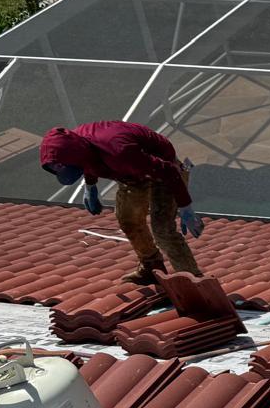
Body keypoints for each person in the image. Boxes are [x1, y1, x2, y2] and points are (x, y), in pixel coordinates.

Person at [39, 122, 204, 285]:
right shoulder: (74, 146)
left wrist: (185, 207)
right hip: (131, 174)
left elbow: (169, 172)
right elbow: (87, 162)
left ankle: (193, 280)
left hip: (163, 170)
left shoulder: (119, 152)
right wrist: (90, 186)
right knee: (128, 219)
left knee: (162, 230)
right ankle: (152, 267)